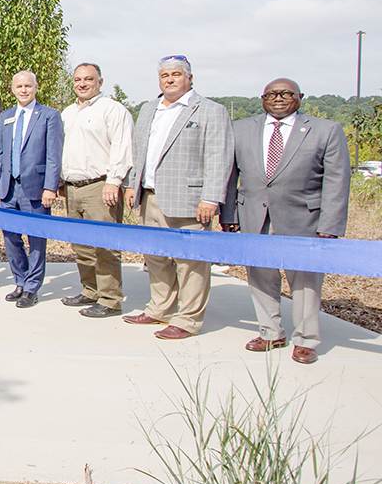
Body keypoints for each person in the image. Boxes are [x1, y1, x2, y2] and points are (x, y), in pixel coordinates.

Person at [221, 79, 349, 365]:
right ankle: (270, 332)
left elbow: (337, 181)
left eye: (286, 93)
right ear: (262, 98)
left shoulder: (326, 130)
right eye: (271, 94)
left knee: (305, 282)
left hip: (304, 219)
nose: (278, 98)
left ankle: (306, 339)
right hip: (254, 216)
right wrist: (229, 215)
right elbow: (230, 176)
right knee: (260, 276)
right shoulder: (241, 128)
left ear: (300, 97)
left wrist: (329, 226)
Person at [123, 56, 234, 339]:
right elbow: (140, 152)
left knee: (191, 262)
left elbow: (219, 158)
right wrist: (132, 185)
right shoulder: (150, 109)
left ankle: (188, 320)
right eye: (164, 75)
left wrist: (211, 198)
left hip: (189, 200)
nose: (169, 79)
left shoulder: (211, 111)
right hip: (150, 197)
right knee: (156, 257)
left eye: (176, 74)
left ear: (189, 78)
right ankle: (160, 308)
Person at [59, 63, 134, 318]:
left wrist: (114, 181)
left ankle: (110, 299)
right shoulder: (68, 112)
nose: (82, 83)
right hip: (72, 188)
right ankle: (90, 290)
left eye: (88, 79)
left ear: (100, 82)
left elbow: (122, 148)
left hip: (100, 186)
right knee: (81, 245)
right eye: (78, 79)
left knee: (105, 245)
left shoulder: (113, 110)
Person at [0, 71, 63, 308]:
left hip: (36, 188)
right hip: (8, 187)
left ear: (36, 87)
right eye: (19, 86)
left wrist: (50, 187)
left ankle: (32, 288)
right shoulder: (6, 117)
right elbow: (0, 154)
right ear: (12, 89)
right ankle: (20, 281)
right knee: (10, 237)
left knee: (36, 240)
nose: (23, 90)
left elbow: (54, 155)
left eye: (28, 86)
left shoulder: (50, 116)